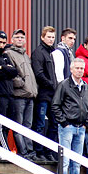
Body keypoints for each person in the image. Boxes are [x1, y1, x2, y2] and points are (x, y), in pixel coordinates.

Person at [52, 57, 88, 174]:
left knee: (76, 161)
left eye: (82, 69)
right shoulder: (64, 85)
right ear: (71, 69)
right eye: (77, 68)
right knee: (65, 160)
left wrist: (86, 123)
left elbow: (87, 106)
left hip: (81, 127)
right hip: (67, 127)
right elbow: (55, 105)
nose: (80, 71)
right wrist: (64, 123)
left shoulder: (85, 87)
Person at [4, 28, 38, 159]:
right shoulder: (9, 53)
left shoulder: (25, 55)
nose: (20, 39)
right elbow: (10, 73)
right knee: (19, 125)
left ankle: (29, 151)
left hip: (30, 96)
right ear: (12, 39)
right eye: (17, 37)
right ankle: (23, 152)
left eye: (22, 38)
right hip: (19, 96)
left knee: (28, 125)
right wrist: (21, 83)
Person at [31, 25, 59, 161]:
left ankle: (48, 151)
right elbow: (38, 73)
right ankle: (38, 151)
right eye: (48, 37)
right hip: (43, 94)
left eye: (53, 37)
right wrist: (51, 84)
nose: (51, 39)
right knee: (40, 123)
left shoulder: (52, 53)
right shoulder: (38, 52)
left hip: (53, 95)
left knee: (54, 124)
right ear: (42, 37)